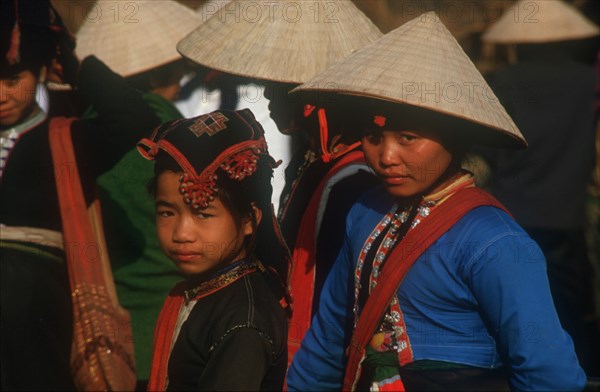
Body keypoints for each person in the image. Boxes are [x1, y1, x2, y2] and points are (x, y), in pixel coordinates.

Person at [286, 12, 586, 391]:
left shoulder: (494, 241)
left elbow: (548, 372)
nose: (387, 156)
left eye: (408, 137)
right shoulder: (364, 212)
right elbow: (329, 338)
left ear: (456, 139)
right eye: (373, 137)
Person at [176, 0, 383, 364]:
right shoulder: (314, 160)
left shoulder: (353, 180)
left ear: (312, 97)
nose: (268, 97)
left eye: (279, 87)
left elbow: (334, 296)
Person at [0, 0, 160, 390]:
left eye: (11, 79)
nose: (0, 95)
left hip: (33, 309)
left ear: (40, 70)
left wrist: (73, 63)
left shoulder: (67, 138)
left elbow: (134, 116)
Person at [73, 1, 202, 386]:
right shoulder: (178, 136)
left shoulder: (79, 134)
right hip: (171, 329)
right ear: (163, 72)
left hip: (104, 335)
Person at [480, 0, 600, 376]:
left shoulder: (502, 83)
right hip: (566, 220)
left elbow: (488, 152)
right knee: (571, 322)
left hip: (508, 220)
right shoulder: (587, 83)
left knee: (510, 319)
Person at [137, 109, 290, 391]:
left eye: (204, 215)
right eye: (167, 213)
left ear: (249, 219)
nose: (182, 234)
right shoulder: (207, 289)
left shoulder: (244, 323)